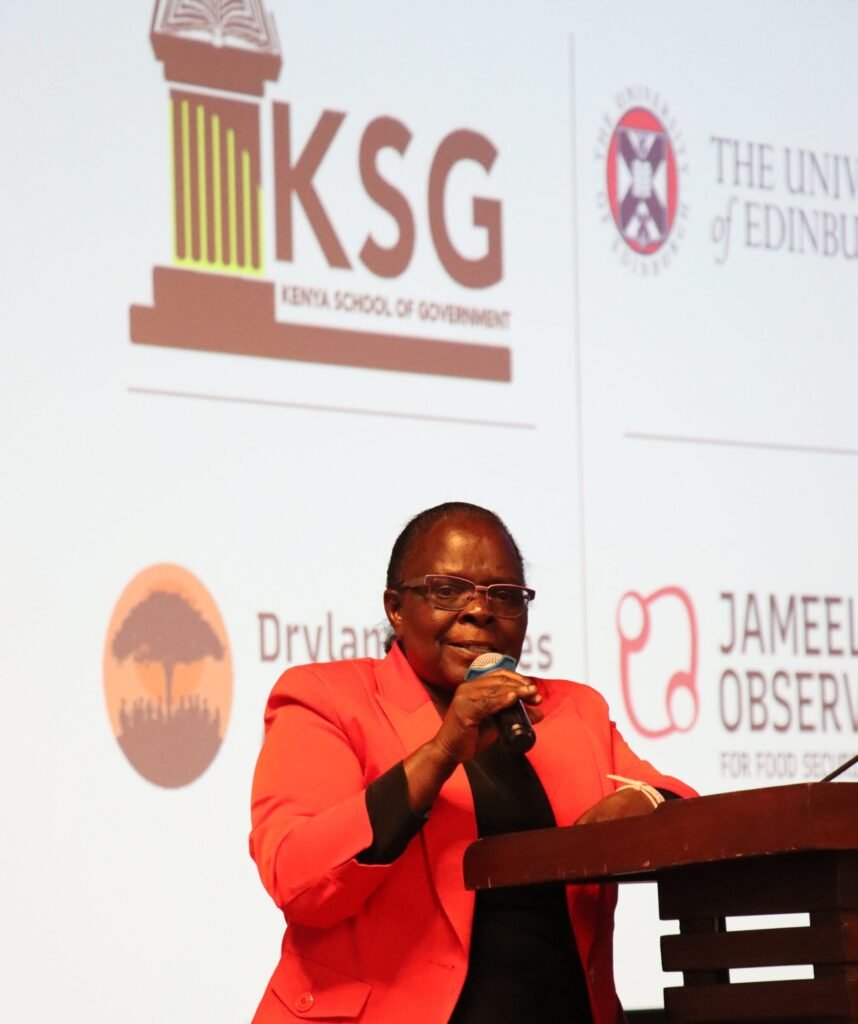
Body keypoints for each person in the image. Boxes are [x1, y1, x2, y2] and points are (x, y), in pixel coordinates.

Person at [249, 502, 696, 1024]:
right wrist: (442, 751)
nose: (480, 610)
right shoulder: (326, 698)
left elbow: (675, 800)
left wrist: (644, 799)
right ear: (396, 608)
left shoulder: (573, 710)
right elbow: (299, 879)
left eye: (504, 596)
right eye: (447, 590)